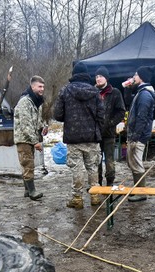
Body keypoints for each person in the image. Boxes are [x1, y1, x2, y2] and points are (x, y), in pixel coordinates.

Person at [52, 61, 104, 209]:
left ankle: (77, 198)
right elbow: (101, 115)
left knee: (77, 168)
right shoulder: (95, 93)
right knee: (92, 167)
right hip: (92, 137)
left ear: (74, 75)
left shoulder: (65, 91)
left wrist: (69, 117)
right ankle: (95, 196)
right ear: (87, 75)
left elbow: (57, 114)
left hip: (73, 137)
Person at [125, 65, 155, 202]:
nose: (134, 77)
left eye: (136, 75)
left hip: (138, 136)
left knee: (136, 162)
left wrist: (135, 137)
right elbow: (128, 102)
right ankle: (137, 189)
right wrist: (127, 89)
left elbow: (142, 118)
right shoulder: (141, 92)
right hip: (136, 135)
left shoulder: (145, 94)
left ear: (142, 77)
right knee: (132, 161)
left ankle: (141, 192)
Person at [13, 75, 47, 201]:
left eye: (43, 86)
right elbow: (25, 123)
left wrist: (43, 126)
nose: (42, 89)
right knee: (28, 164)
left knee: (27, 164)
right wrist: (35, 142)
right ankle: (32, 191)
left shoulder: (36, 101)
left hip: (30, 138)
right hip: (24, 139)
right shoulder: (24, 102)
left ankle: (27, 190)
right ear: (32, 86)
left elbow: (36, 120)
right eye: (39, 86)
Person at [94, 66, 126, 187]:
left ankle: (110, 183)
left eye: (101, 76)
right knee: (96, 161)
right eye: (96, 76)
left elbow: (121, 111)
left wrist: (110, 123)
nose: (98, 79)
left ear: (106, 78)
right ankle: (98, 183)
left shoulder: (115, 92)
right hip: (95, 134)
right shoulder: (92, 92)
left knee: (109, 161)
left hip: (109, 134)